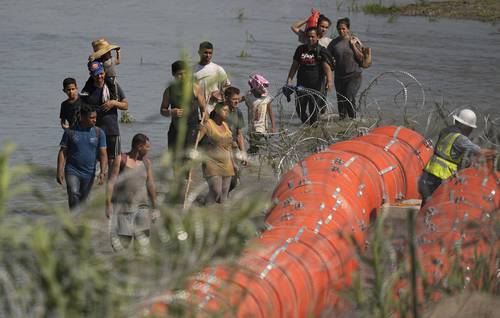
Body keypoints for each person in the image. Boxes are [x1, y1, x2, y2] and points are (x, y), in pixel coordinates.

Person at [418, 109, 493, 205]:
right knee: (438, 209)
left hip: (426, 177)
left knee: (426, 208)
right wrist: (495, 152)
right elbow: (480, 152)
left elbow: (450, 153)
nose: (471, 130)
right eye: (470, 128)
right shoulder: (461, 139)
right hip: (439, 180)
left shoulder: (445, 132)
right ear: (466, 126)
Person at [106, 133, 158, 252]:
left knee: (142, 245)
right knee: (122, 245)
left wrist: (155, 207)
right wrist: (108, 204)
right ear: (139, 146)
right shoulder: (121, 159)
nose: (148, 150)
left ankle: (138, 268)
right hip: (124, 209)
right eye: (147, 147)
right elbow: (111, 183)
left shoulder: (146, 163)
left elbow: (151, 184)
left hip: (142, 208)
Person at [57, 104, 108, 210]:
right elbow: (62, 152)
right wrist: (59, 170)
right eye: (91, 118)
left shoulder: (99, 133)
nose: (94, 120)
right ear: (82, 117)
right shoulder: (70, 132)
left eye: (95, 117)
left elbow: (103, 155)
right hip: (72, 170)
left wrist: (103, 172)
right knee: (74, 194)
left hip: (89, 172)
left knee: (84, 201)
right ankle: (74, 221)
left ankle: (80, 223)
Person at [81, 61, 128, 164]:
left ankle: (111, 180)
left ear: (104, 72)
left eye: (101, 73)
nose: (99, 76)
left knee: (114, 160)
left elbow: (125, 105)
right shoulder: (87, 91)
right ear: (91, 75)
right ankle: (97, 179)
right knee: (93, 159)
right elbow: (81, 111)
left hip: (112, 130)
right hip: (94, 131)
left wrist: (114, 103)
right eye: (96, 74)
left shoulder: (112, 86)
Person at [160, 60, 207, 160]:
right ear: (173, 74)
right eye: (179, 74)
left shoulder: (195, 88)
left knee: (188, 163)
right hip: (175, 130)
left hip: (192, 129)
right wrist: (171, 112)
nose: (183, 77)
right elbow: (162, 110)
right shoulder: (169, 91)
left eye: (185, 73)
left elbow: (204, 109)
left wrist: (203, 125)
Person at [287, 27, 333, 125]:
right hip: (302, 84)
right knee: (300, 109)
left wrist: (329, 81)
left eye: (313, 37)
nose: (310, 39)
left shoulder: (321, 51)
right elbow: (294, 66)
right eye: (308, 37)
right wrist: (289, 80)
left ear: (317, 37)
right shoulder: (300, 49)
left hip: (317, 86)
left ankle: (313, 128)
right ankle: (307, 127)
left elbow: (327, 68)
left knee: (314, 111)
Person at [327, 17, 364, 119]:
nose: (341, 31)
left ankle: (353, 121)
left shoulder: (354, 41)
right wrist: (331, 63)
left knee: (349, 97)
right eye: (339, 29)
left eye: (343, 29)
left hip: (354, 76)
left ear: (348, 29)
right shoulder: (334, 43)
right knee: (341, 102)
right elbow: (327, 58)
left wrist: (353, 46)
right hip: (339, 77)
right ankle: (343, 125)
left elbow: (361, 58)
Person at [198, 103, 235, 204]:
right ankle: (205, 208)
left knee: (223, 198)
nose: (227, 113)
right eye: (225, 110)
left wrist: (234, 164)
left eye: (228, 111)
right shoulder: (207, 124)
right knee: (215, 192)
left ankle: (220, 217)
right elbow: (196, 142)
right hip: (211, 162)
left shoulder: (226, 125)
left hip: (227, 164)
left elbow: (229, 147)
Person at [193, 41, 231, 115]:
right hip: (196, 111)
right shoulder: (192, 70)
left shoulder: (218, 69)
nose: (208, 55)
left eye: (210, 53)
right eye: (205, 52)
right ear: (199, 52)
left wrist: (219, 93)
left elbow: (227, 87)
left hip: (214, 110)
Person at [223, 86, 248, 192]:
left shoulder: (238, 112)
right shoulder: (220, 112)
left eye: (238, 99)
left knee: (236, 181)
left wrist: (243, 152)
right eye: (234, 99)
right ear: (226, 98)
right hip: (222, 148)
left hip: (233, 147)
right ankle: (220, 198)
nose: (237, 101)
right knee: (226, 176)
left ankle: (222, 198)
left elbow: (239, 134)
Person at [245, 74, 276, 154]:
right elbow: (237, 100)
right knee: (253, 147)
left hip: (262, 127)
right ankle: (248, 159)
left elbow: (270, 113)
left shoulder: (266, 99)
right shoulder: (249, 98)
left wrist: (273, 126)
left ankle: (264, 159)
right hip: (252, 127)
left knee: (262, 145)